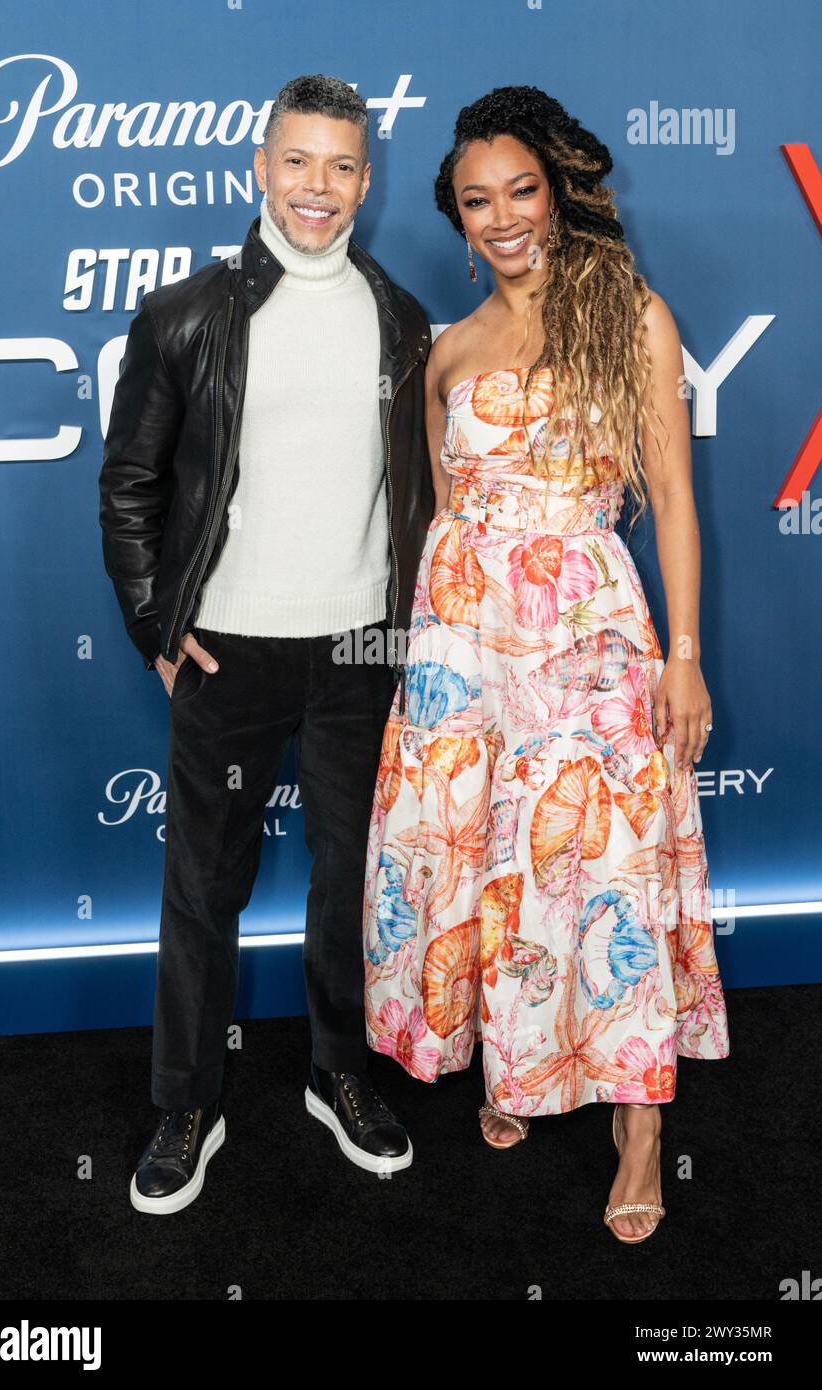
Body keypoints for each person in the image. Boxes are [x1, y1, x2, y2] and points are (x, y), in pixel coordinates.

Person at [362, 85, 730, 1244]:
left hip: (586, 640)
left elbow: (668, 497)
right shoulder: (446, 347)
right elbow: (440, 510)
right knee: (485, 862)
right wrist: (423, 666)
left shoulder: (625, 312)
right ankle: (516, 1065)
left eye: (519, 189)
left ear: (559, 191)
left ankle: (637, 1126)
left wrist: (681, 657)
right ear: (456, 219)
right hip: (463, 651)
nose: (502, 216)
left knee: (602, 864)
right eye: (476, 200)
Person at [99, 74, 434, 1213]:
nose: (319, 188)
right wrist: (156, 621)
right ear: (258, 167)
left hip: (356, 648)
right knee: (204, 886)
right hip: (228, 649)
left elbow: (417, 490)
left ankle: (339, 1072)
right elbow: (131, 483)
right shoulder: (186, 316)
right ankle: (186, 1099)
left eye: (342, 165)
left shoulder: (399, 318)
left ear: (365, 180)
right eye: (299, 161)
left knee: (349, 878)